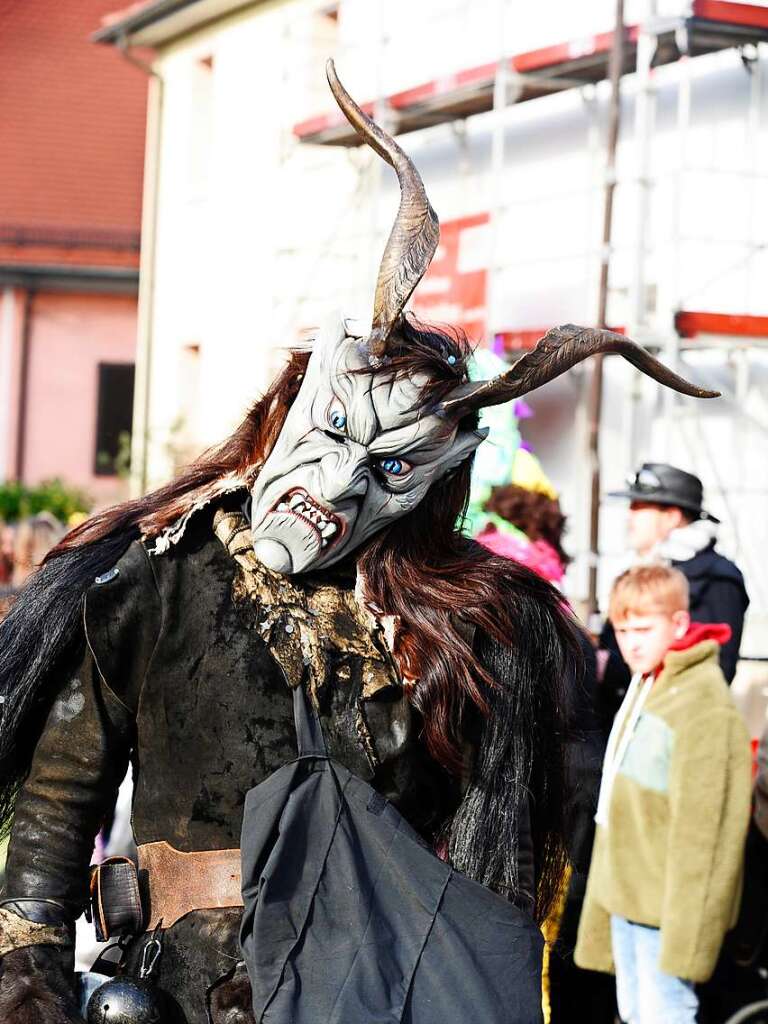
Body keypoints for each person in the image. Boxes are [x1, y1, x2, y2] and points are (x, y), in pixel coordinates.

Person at [0, 64, 717, 1024]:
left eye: (387, 469)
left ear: (434, 479)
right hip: (175, 993)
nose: (335, 487)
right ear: (297, 398)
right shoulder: (160, 578)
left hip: (374, 991)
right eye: (335, 435)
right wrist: (30, 959)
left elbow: (494, 856)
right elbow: (61, 793)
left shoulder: (467, 628)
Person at [575, 565, 751, 1024]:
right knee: (637, 1011)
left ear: (678, 624)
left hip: (667, 903)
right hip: (630, 891)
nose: (631, 642)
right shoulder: (649, 684)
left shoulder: (700, 701)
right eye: (623, 629)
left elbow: (706, 831)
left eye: (644, 629)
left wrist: (688, 927)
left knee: (664, 1012)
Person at [602, 462, 749, 684]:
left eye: (639, 506)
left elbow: (719, 669)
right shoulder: (637, 568)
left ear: (671, 516)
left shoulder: (718, 578)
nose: (629, 516)